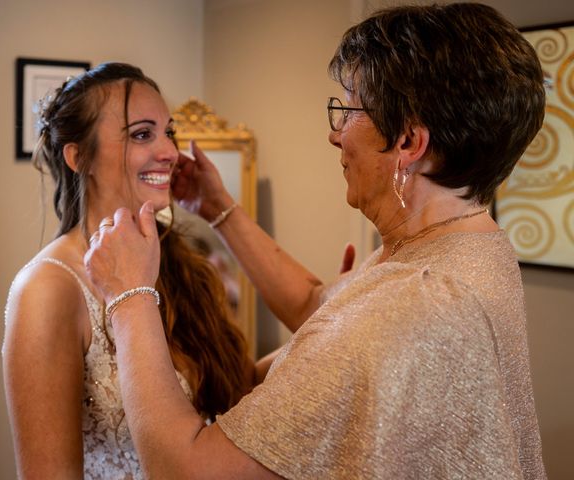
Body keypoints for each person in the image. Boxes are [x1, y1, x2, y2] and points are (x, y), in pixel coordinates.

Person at [84, 3, 547, 479]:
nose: (334, 133)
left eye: (348, 110)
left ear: (408, 142)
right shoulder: (466, 244)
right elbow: (316, 305)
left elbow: (189, 469)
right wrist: (219, 208)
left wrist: (129, 297)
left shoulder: (412, 301)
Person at [2, 62, 254, 479]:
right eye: (142, 134)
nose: (171, 152)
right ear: (78, 157)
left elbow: (239, 384)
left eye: (168, 132)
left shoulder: (181, 264)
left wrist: (322, 335)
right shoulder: (48, 289)